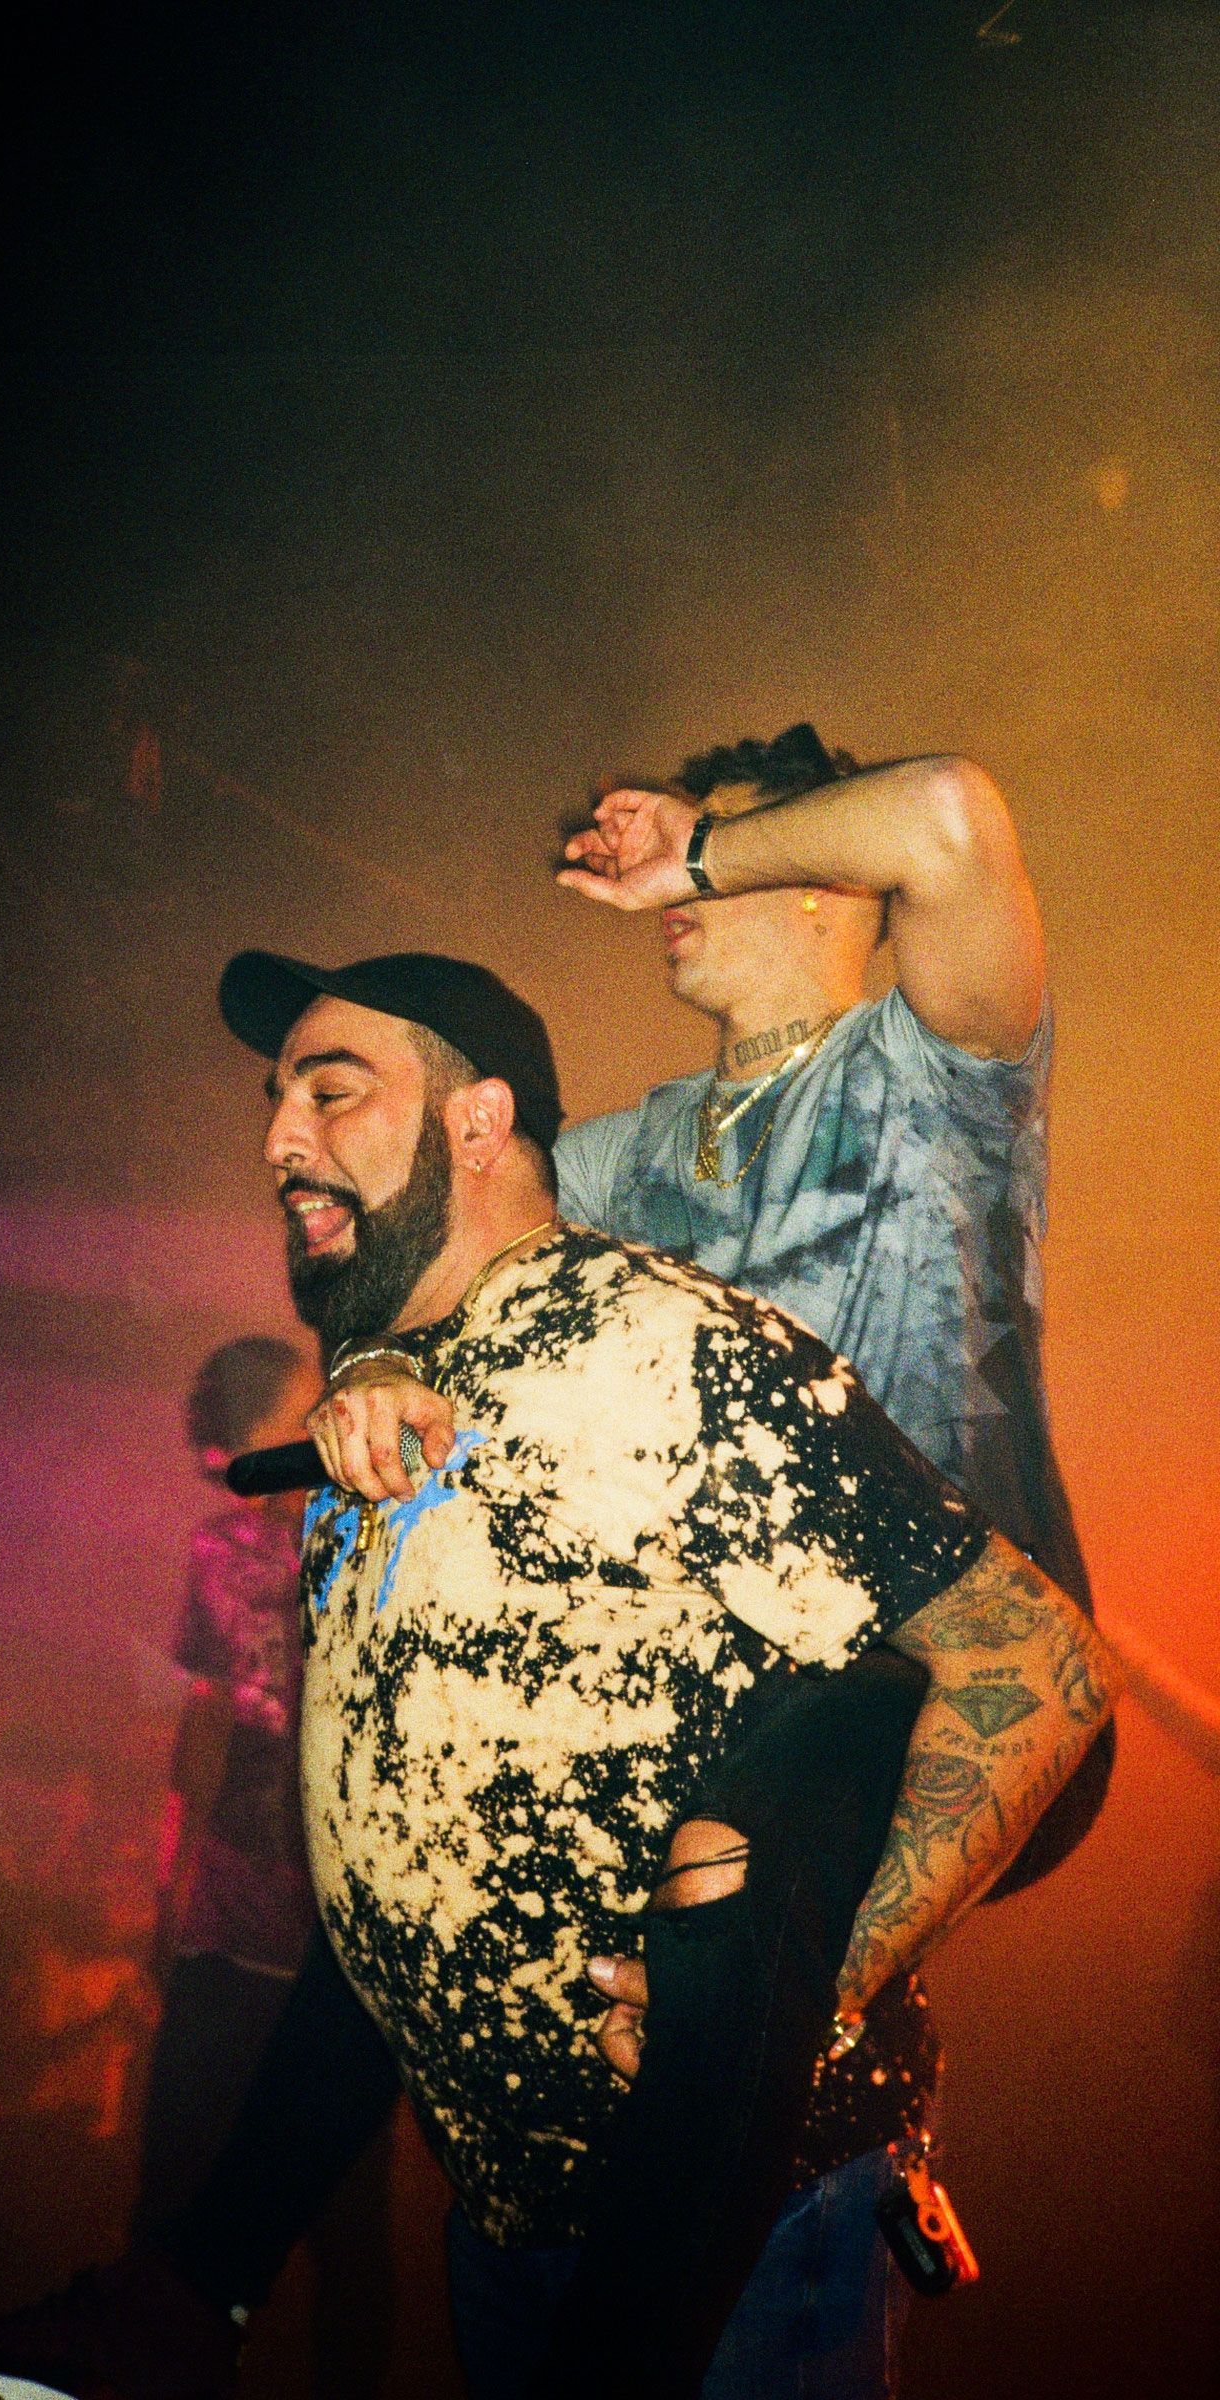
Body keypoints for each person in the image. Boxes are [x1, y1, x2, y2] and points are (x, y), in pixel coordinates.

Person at [0, 950, 1117, 2400]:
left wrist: (802, 1985)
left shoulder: (661, 1347)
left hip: (757, 2224)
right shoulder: (380, 1417)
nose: (278, 1140)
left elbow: (1035, 1661)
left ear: (478, 1121)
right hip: (505, 2229)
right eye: (274, 1101)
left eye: (330, 1093)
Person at [310, 730, 1113, 2386]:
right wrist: (373, 1360)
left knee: (749, 1907)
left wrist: (692, 847)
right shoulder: (620, 1160)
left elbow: (951, 816)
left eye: (738, 851)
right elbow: (430, 1249)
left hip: (950, 1680)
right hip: (739, 1713)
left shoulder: (933, 1080)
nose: (680, 884)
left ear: (827, 884)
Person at [134, 1335, 394, 2393]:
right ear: (256, 1433)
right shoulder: (222, 1548)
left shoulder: (374, 1523)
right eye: (303, 1404)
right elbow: (202, 1726)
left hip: (341, 1918)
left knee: (344, 2212)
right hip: (239, 1903)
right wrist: (170, 1882)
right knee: (183, 2183)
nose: (327, 1411)